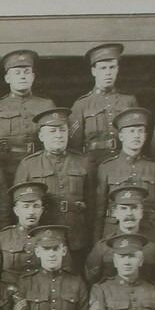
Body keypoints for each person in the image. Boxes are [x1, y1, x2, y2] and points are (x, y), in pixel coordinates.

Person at [13, 107, 95, 266]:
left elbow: (93, 203)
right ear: (41, 136)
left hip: (76, 234)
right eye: (52, 131)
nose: (58, 135)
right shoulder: (28, 165)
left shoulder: (83, 162)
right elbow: (20, 206)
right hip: (43, 235)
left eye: (62, 130)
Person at [0, 49, 54, 183]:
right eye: (17, 73)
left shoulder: (46, 105)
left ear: (33, 76)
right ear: (7, 78)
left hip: (39, 166)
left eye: (26, 72)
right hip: (6, 166)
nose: (22, 76)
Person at [93, 107, 155, 241]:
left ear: (145, 136)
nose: (136, 135)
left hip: (149, 232)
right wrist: (97, 241)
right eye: (131, 131)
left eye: (140, 131)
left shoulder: (154, 167)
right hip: (114, 233)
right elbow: (99, 211)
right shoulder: (107, 167)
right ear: (121, 136)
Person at [83, 184, 155, 286]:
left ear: (141, 212)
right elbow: (91, 281)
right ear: (115, 213)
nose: (129, 214)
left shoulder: (153, 248)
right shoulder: (102, 248)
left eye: (134, 208)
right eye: (123, 208)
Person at [68, 43, 139, 163]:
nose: (108, 72)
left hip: (122, 162)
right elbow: (74, 144)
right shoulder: (81, 105)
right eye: (103, 68)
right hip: (93, 163)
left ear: (117, 69)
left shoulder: (129, 101)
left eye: (112, 67)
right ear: (94, 71)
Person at [0, 181, 61, 285]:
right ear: (16, 210)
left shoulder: (53, 237)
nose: (31, 212)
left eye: (36, 206)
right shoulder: (2, 237)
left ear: (42, 210)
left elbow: (62, 274)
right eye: (26, 206)